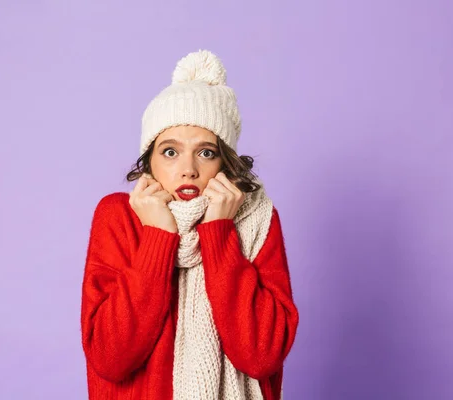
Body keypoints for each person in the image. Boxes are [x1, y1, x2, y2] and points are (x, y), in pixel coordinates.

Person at [80, 49, 299, 400]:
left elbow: (261, 356)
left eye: (206, 152)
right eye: (170, 151)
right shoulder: (119, 216)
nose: (188, 169)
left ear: (226, 163)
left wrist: (218, 233)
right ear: (148, 162)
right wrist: (158, 236)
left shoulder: (256, 219)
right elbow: (111, 358)